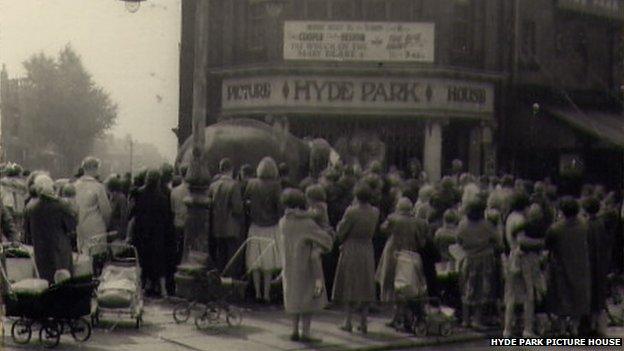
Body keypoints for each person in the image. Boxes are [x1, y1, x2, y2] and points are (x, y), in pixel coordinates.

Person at [279, 188, 333, 342]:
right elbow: (326, 240)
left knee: (294, 296)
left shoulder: (283, 222)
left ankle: (294, 330)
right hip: (307, 265)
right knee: (309, 297)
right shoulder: (307, 223)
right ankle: (306, 332)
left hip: (289, 266)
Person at [333, 183, 380, 334]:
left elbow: (341, 231)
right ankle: (364, 322)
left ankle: (347, 321)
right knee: (365, 284)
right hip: (367, 247)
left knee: (349, 283)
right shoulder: (375, 212)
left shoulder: (351, 211)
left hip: (351, 247)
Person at [376, 197, 428, 327]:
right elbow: (421, 240)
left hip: (393, 253)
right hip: (410, 254)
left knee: (392, 284)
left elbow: (383, 230)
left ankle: (398, 316)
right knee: (406, 285)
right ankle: (404, 316)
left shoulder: (393, 219)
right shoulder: (417, 222)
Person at [545, 197, 591, 336]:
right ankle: (575, 327)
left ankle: (563, 328)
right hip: (581, 266)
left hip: (561, 267)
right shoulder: (584, 225)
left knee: (562, 297)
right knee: (579, 297)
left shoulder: (556, 228)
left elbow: (548, 245)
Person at [129, 169, 175, 297]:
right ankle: (163, 290)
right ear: (158, 181)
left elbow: (132, 213)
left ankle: (141, 288)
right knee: (158, 261)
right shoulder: (163, 197)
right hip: (157, 234)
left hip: (141, 232)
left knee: (142, 261)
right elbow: (166, 217)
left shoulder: (138, 193)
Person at [23, 174, 76, 284]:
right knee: (64, 284)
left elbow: (27, 233)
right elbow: (71, 227)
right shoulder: (62, 205)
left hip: (41, 253)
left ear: (37, 189)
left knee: (46, 284)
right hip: (60, 252)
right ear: (52, 187)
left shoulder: (31, 208)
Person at [244, 157, 283, 302]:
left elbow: (246, 202)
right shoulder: (276, 186)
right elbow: (280, 207)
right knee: (268, 263)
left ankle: (257, 293)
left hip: (255, 226)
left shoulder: (251, 184)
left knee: (255, 261)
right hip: (271, 226)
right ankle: (266, 294)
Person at [456, 198, 498, 329]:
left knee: (467, 288)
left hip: (468, 259)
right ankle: (477, 320)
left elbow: (458, 240)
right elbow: (497, 240)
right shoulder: (487, 225)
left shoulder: (462, 224)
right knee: (481, 290)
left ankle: (465, 319)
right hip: (484, 259)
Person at [208, 158, 244, 272]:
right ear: (231, 169)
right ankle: (230, 282)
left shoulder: (213, 186)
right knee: (231, 257)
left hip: (217, 226)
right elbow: (238, 208)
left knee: (220, 256)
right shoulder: (234, 185)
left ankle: (219, 281)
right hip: (231, 227)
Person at [584, 196, 612, 335]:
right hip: (600, 264)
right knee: (598, 295)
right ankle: (598, 325)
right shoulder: (600, 225)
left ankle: (591, 325)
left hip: (589, 265)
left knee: (590, 295)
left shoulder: (586, 225)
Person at [74, 157, 112, 253]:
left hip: (80, 228)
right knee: (97, 258)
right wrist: (106, 226)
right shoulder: (98, 187)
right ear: (94, 168)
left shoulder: (74, 186)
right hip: (96, 229)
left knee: (83, 259)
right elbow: (106, 212)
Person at [106, 176, 128, 241]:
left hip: (118, 230)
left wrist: (122, 232)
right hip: (112, 230)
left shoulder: (121, 198)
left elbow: (124, 216)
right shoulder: (111, 197)